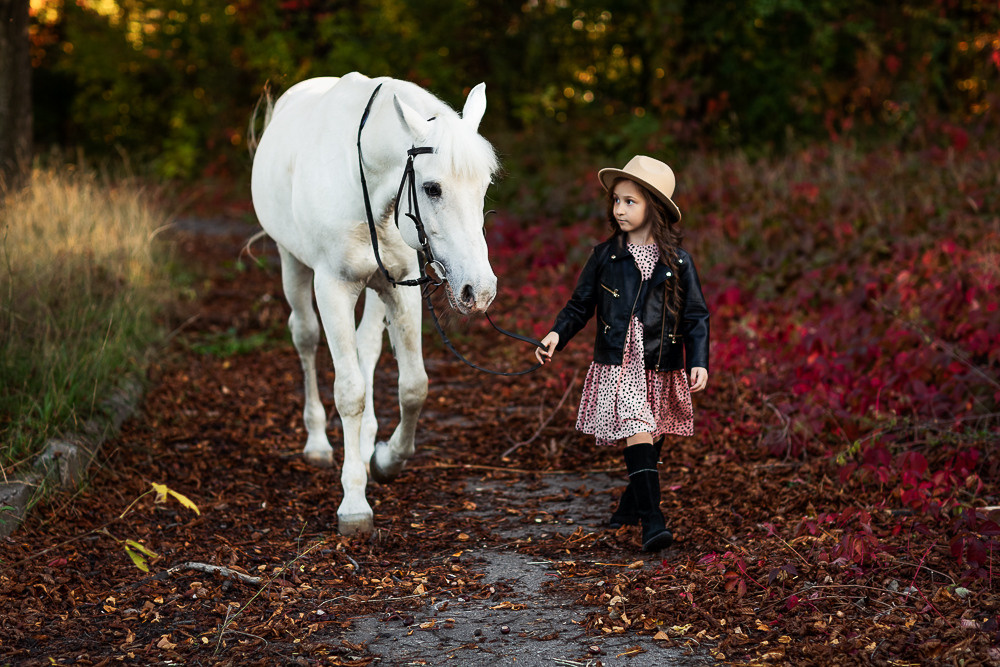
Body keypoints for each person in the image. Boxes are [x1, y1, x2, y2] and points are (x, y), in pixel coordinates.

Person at [534, 155, 709, 553]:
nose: (619, 209)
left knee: (653, 433)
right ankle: (653, 522)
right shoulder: (604, 256)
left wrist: (698, 359)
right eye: (616, 201)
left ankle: (632, 504)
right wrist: (555, 335)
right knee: (637, 426)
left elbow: (695, 314)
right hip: (621, 360)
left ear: (654, 206)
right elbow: (580, 306)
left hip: (660, 359)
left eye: (630, 201)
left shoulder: (679, 261)